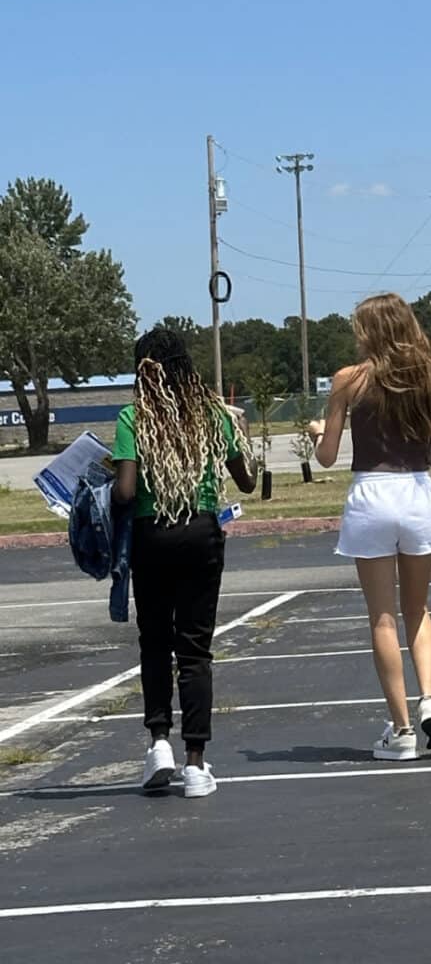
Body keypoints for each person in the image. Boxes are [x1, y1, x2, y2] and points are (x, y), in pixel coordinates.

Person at [308, 292, 431, 761]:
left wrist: (317, 432)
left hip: (371, 493)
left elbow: (327, 456)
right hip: (416, 492)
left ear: (370, 330)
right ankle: (430, 698)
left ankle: (402, 728)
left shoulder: (349, 380)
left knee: (382, 617)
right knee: (419, 609)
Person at [112, 328, 257, 796]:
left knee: (154, 642)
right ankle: (196, 763)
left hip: (151, 536)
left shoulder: (132, 418)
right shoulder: (212, 414)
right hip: (200, 534)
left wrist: (107, 481)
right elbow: (247, 482)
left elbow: (127, 493)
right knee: (194, 650)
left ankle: (159, 744)